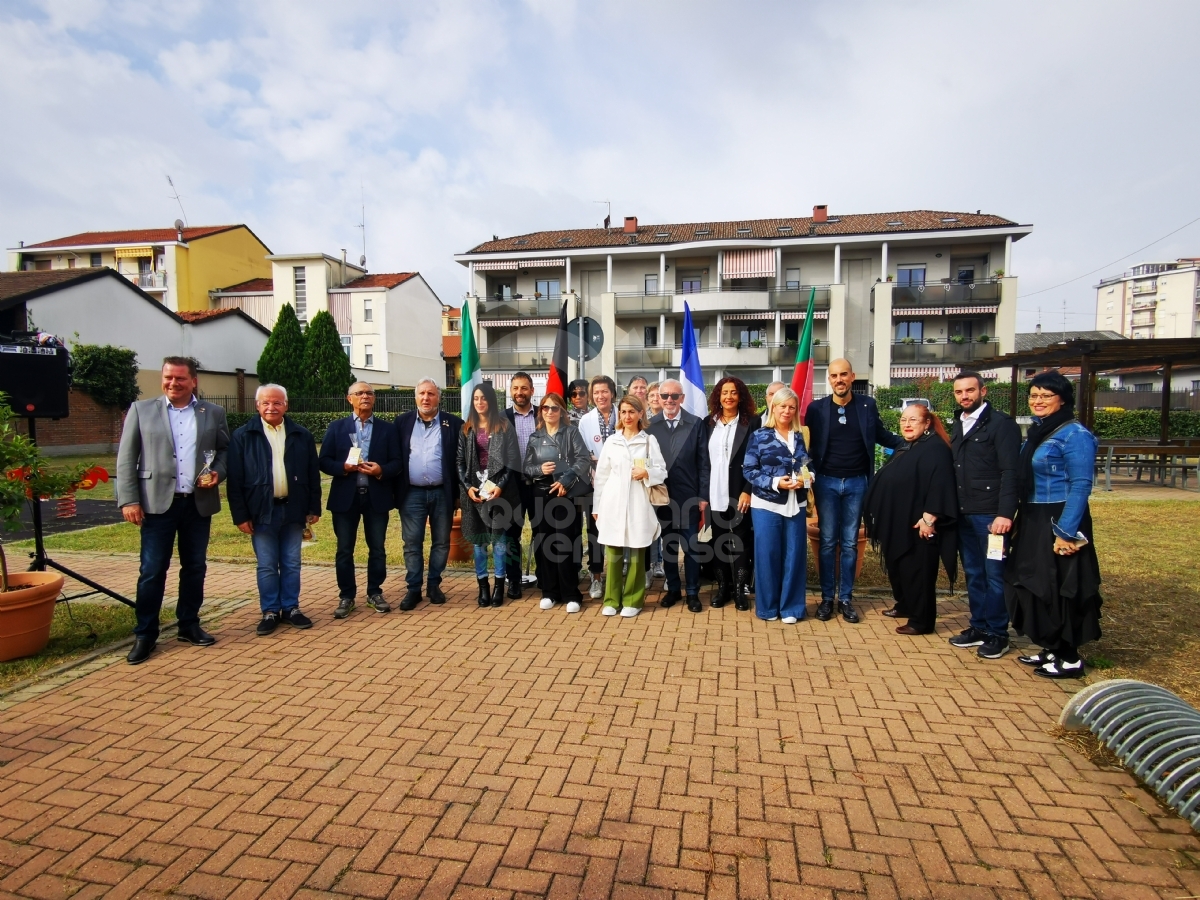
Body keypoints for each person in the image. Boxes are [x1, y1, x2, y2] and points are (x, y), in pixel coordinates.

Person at [116, 356, 229, 665]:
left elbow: (224, 450)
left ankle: (189, 624)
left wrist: (219, 471)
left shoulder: (213, 412)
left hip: (197, 503)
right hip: (156, 505)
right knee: (152, 571)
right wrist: (128, 500)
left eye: (180, 378)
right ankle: (145, 634)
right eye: (168, 377)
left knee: (195, 568)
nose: (172, 383)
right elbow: (126, 458)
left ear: (193, 381)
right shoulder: (142, 410)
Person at [1004, 372, 1102, 680]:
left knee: (1060, 587)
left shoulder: (1075, 435)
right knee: (1032, 582)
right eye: (1033, 395)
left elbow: (1081, 484)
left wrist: (1065, 532)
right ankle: (1051, 646)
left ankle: (1069, 657)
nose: (1037, 401)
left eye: (1045, 395)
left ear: (1063, 399)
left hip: (1059, 517)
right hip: (1033, 515)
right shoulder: (1038, 432)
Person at [805, 358, 903, 623]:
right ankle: (827, 599)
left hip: (858, 484)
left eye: (844, 375)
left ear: (852, 376)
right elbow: (806, 444)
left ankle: (846, 599)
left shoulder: (867, 405)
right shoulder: (816, 408)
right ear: (829, 379)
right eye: (834, 375)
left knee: (849, 543)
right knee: (826, 542)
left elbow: (882, 435)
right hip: (826, 482)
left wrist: (911, 442)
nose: (839, 380)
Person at [227, 385, 322, 636]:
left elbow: (313, 475)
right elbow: (235, 480)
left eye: (277, 403)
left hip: (294, 510)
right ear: (257, 405)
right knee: (267, 565)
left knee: (292, 563)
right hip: (261, 512)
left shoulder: (301, 435)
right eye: (266, 403)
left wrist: (313, 507)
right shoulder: (242, 436)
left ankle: (291, 608)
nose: (272, 407)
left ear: (286, 405)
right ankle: (270, 611)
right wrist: (241, 515)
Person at [863, 403, 958, 636]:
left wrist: (929, 518)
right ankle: (905, 604)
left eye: (913, 420)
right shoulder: (908, 445)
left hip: (919, 524)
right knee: (901, 568)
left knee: (918, 571)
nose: (906, 424)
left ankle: (921, 621)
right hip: (899, 522)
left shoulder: (936, 448)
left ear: (927, 423)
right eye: (903, 419)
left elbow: (941, 484)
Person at [947, 370, 1022, 660]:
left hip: (991, 516)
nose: (964, 396)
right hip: (964, 513)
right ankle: (978, 626)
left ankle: (998, 634)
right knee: (974, 573)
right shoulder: (960, 423)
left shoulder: (1001, 425)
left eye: (970, 391)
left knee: (994, 575)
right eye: (959, 392)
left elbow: (1010, 472)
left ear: (983, 391)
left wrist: (1005, 513)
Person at [318, 382, 401, 619]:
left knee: (377, 549)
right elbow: (323, 461)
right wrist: (343, 468)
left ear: (374, 399)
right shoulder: (337, 427)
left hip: (377, 497)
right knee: (344, 550)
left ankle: (375, 592)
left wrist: (380, 470)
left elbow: (397, 462)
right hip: (346, 498)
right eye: (360, 393)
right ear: (349, 399)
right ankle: (347, 596)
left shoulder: (388, 429)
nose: (365, 396)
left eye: (369, 393)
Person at [593, 395, 667, 617]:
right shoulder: (612, 441)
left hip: (638, 501)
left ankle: (633, 601)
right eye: (623, 412)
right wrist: (597, 507)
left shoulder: (648, 441)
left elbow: (662, 470)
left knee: (636, 550)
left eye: (632, 412)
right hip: (612, 501)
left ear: (640, 414)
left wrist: (647, 472)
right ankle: (611, 599)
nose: (627, 416)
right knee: (613, 551)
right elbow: (602, 477)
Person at [742, 387, 811, 623]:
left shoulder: (799, 436)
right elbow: (749, 470)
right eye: (783, 406)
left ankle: (791, 608)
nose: (787, 411)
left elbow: (806, 467)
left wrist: (806, 479)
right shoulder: (760, 435)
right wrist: (774, 482)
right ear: (774, 407)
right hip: (766, 504)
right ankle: (768, 608)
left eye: (792, 407)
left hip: (796, 504)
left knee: (794, 556)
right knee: (767, 555)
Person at [395, 378, 463, 609]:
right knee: (412, 543)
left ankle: (434, 585)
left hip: (442, 493)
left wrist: (457, 494)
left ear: (439, 397)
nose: (426, 398)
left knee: (441, 542)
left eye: (431, 394)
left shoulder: (453, 424)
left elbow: (459, 462)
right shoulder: (401, 423)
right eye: (422, 393)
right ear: (416, 397)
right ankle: (413, 589)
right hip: (411, 493)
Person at [647, 378, 711, 613]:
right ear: (659, 398)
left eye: (675, 396)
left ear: (682, 398)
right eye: (665, 396)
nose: (670, 400)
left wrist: (703, 495)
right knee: (669, 547)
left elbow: (704, 463)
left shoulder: (695, 424)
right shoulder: (651, 425)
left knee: (692, 547)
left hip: (689, 497)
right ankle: (673, 589)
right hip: (663, 497)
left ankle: (692, 592)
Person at [523, 392, 591, 612]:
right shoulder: (535, 437)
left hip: (565, 494)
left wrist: (565, 480)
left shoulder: (571, 432)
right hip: (541, 494)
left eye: (554, 408)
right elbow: (526, 467)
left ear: (562, 411)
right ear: (540, 411)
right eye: (545, 408)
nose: (550, 412)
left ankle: (571, 594)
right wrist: (538, 469)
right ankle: (550, 592)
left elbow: (583, 459)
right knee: (544, 544)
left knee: (566, 544)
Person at [458, 381, 522, 608]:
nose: (479, 402)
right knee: (479, 542)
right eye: (476, 399)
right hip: (475, 493)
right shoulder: (466, 429)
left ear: (491, 401)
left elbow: (513, 461)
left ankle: (498, 587)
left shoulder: (504, 426)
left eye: (483, 398)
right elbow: (459, 462)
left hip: (498, 493)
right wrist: (467, 487)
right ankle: (482, 586)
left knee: (499, 541)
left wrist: (500, 486)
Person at [705, 377, 761, 610]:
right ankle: (723, 588)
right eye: (724, 392)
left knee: (741, 542)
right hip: (714, 492)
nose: (728, 396)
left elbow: (758, 459)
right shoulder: (708, 423)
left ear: (741, 396)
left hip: (740, 493)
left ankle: (740, 590)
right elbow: (702, 460)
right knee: (718, 541)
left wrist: (748, 490)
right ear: (718, 396)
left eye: (734, 392)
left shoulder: (752, 423)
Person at [578, 375, 618, 599]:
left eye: (604, 391)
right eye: (596, 393)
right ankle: (596, 577)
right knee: (594, 531)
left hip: (622, 483)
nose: (600, 396)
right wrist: (594, 468)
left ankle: (616, 577)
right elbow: (583, 455)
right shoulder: (586, 421)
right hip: (594, 485)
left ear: (612, 392)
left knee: (619, 530)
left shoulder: (623, 414)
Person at [504, 372, 539, 600]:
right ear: (510, 391)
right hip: (512, 486)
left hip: (539, 485)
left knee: (542, 533)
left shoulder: (544, 415)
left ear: (532, 391)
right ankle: (513, 580)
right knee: (511, 535)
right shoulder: (501, 418)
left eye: (524, 388)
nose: (520, 393)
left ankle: (544, 577)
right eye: (516, 388)